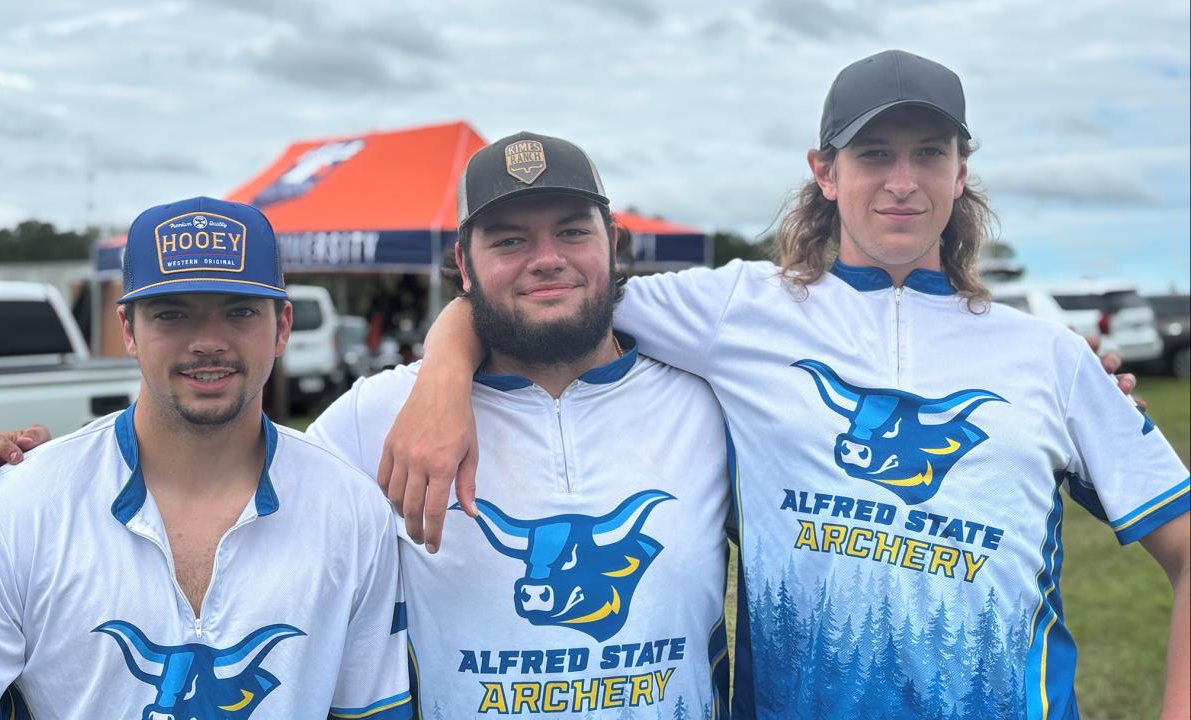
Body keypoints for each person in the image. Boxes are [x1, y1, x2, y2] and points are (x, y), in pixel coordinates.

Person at [375, 51, 1191, 718]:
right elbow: (553, 292)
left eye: (928, 154)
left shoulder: (1050, 356)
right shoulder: (734, 310)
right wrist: (445, 370)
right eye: (874, 154)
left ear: (961, 171)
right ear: (825, 171)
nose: (901, 180)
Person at [0, 137, 734, 717]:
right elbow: (224, 484)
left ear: (613, 247)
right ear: (463, 265)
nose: (546, 259)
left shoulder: (706, 405)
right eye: (508, 240)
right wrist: (24, 484)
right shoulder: (373, 415)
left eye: (572, 231)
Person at [0, 197, 410, 719]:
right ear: (128, 329)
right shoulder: (16, 508)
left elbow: (373, 709)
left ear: (282, 326)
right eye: (172, 313)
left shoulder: (352, 510)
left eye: (239, 311)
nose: (207, 342)